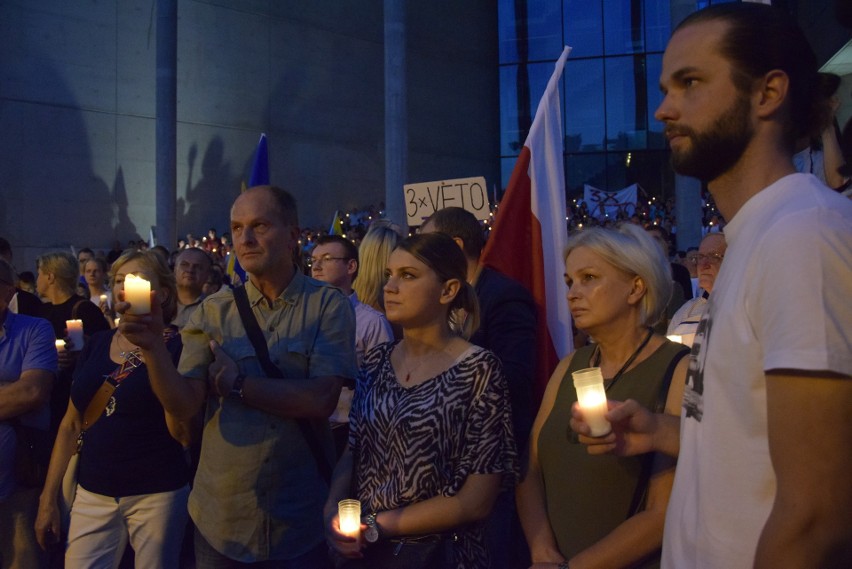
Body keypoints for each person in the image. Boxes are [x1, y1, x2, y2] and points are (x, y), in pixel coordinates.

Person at [572, 4, 852, 568]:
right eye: (664, 87)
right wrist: (660, 431)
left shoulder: (803, 234)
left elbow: (817, 517)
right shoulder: (756, 235)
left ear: (768, 93)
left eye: (690, 83)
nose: (663, 109)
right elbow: (754, 438)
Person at [120, 185, 357, 567]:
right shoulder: (212, 312)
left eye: (259, 226)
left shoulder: (327, 305)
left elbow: (320, 399)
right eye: (236, 228)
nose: (245, 239)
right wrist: (153, 349)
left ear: (293, 235)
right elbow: (184, 405)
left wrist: (237, 385)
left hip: (297, 519)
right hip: (222, 522)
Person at [325, 232, 517, 569]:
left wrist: (375, 526)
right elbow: (353, 451)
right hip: (366, 554)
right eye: (389, 275)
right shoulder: (376, 362)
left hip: (441, 555)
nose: (390, 287)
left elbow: (476, 500)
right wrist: (333, 509)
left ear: (448, 290)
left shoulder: (478, 370)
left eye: (408, 276)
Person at [517, 224, 688, 568]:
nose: (572, 293)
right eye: (569, 282)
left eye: (589, 278)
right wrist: (541, 549)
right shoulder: (570, 366)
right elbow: (530, 468)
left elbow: (662, 513)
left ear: (636, 288)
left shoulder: (678, 368)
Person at [34, 250, 193, 568]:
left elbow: (183, 426)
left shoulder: (180, 346)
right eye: (119, 280)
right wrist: (48, 497)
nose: (124, 287)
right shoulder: (98, 343)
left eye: (135, 281)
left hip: (156, 493)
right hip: (94, 490)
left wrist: (153, 347)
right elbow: (71, 424)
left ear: (160, 293)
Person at [420, 207, 537, 569]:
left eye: (426, 244)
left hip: (492, 467)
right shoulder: (441, 299)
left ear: (455, 246)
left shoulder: (503, 296)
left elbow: (516, 374)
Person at [310, 235, 393, 455]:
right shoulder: (304, 319)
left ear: (351, 266)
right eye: (313, 259)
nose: (316, 266)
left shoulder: (372, 322)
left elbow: (382, 387)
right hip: (309, 428)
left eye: (327, 258)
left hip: (349, 432)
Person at [0, 259, 57, 569]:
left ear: (7, 291)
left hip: (18, 484)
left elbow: (32, 392)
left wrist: (19, 392)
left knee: (22, 560)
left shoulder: (34, 329)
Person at [35, 252, 111, 434]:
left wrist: (80, 352)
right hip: (48, 395)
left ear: (50, 277)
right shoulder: (41, 311)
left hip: (71, 394)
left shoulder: (84, 310)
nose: (37, 279)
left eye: (39, 273)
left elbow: (104, 350)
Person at [666, 233, 727, 347]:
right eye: (700, 257)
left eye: (714, 256)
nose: (704, 265)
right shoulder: (686, 312)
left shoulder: (747, 307)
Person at [171, 248, 212, 329]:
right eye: (184, 265)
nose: (190, 270)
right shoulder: (160, 305)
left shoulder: (214, 309)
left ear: (207, 275)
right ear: (175, 270)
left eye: (198, 267)